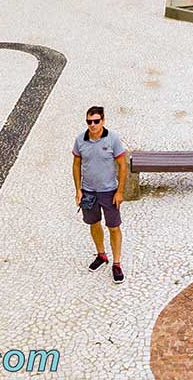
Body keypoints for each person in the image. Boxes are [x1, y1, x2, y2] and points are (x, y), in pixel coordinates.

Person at [72, 106, 127, 284]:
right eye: (89, 122)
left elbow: (123, 165)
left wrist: (119, 191)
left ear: (103, 121)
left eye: (96, 121)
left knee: (114, 227)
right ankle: (101, 255)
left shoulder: (113, 139)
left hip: (109, 191)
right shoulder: (80, 140)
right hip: (89, 192)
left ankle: (117, 263)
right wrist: (78, 190)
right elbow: (76, 165)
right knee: (94, 224)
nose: (93, 125)